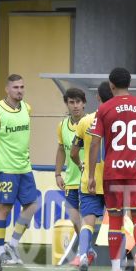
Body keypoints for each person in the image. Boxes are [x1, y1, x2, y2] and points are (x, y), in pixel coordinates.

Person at [87, 68, 136, 271]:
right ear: (131, 83)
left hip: (113, 171)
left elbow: (95, 142)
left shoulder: (104, 109)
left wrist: (91, 174)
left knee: (115, 220)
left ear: (111, 85)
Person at [0, 74, 40, 267]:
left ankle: (12, 244)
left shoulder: (26, 107)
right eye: (15, 87)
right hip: (6, 168)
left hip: (25, 168)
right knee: (4, 209)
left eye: (22, 87)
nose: (19, 90)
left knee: (32, 205)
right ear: (7, 89)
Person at [70, 82, 113, 271]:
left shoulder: (85, 121)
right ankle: (118, 267)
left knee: (87, 222)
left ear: (98, 98)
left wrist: (82, 165)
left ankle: (83, 255)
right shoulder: (118, 119)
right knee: (117, 223)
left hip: (90, 179)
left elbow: (73, 152)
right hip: (113, 178)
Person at [56, 87, 87, 239]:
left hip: (88, 179)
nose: (75, 105)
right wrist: (57, 174)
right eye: (71, 102)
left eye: (78, 102)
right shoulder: (62, 126)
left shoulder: (91, 123)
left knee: (90, 218)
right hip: (71, 180)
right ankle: (84, 248)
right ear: (66, 104)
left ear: (84, 104)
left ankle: (87, 248)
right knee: (74, 218)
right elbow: (61, 149)